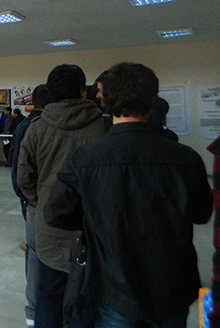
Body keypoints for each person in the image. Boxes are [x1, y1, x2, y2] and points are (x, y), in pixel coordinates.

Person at [44, 62, 213, 327]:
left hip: (112, 285)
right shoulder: (186, 158)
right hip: (171, 284)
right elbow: (202, 214)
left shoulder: (84, 158)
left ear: (104, 101)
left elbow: (56, 213)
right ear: (153, 102)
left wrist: (96, 219)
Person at [17, 64, 106, 328]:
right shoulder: (103, 126)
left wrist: (42, 201)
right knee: (86, 300)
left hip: (49, 224)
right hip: (90, 226)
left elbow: (24, 178)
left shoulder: (36, 128)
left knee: (49, 293)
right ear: (82, 91)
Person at [9, 84, 51, 326]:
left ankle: (34, 309)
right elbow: (20, 172)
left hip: (32, 200)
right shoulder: (31, 127)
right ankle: (36, 308)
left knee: (35, 253)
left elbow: (18, 172)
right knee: (37, 252)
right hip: (37, 200)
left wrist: (27, 198)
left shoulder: (26, 127)